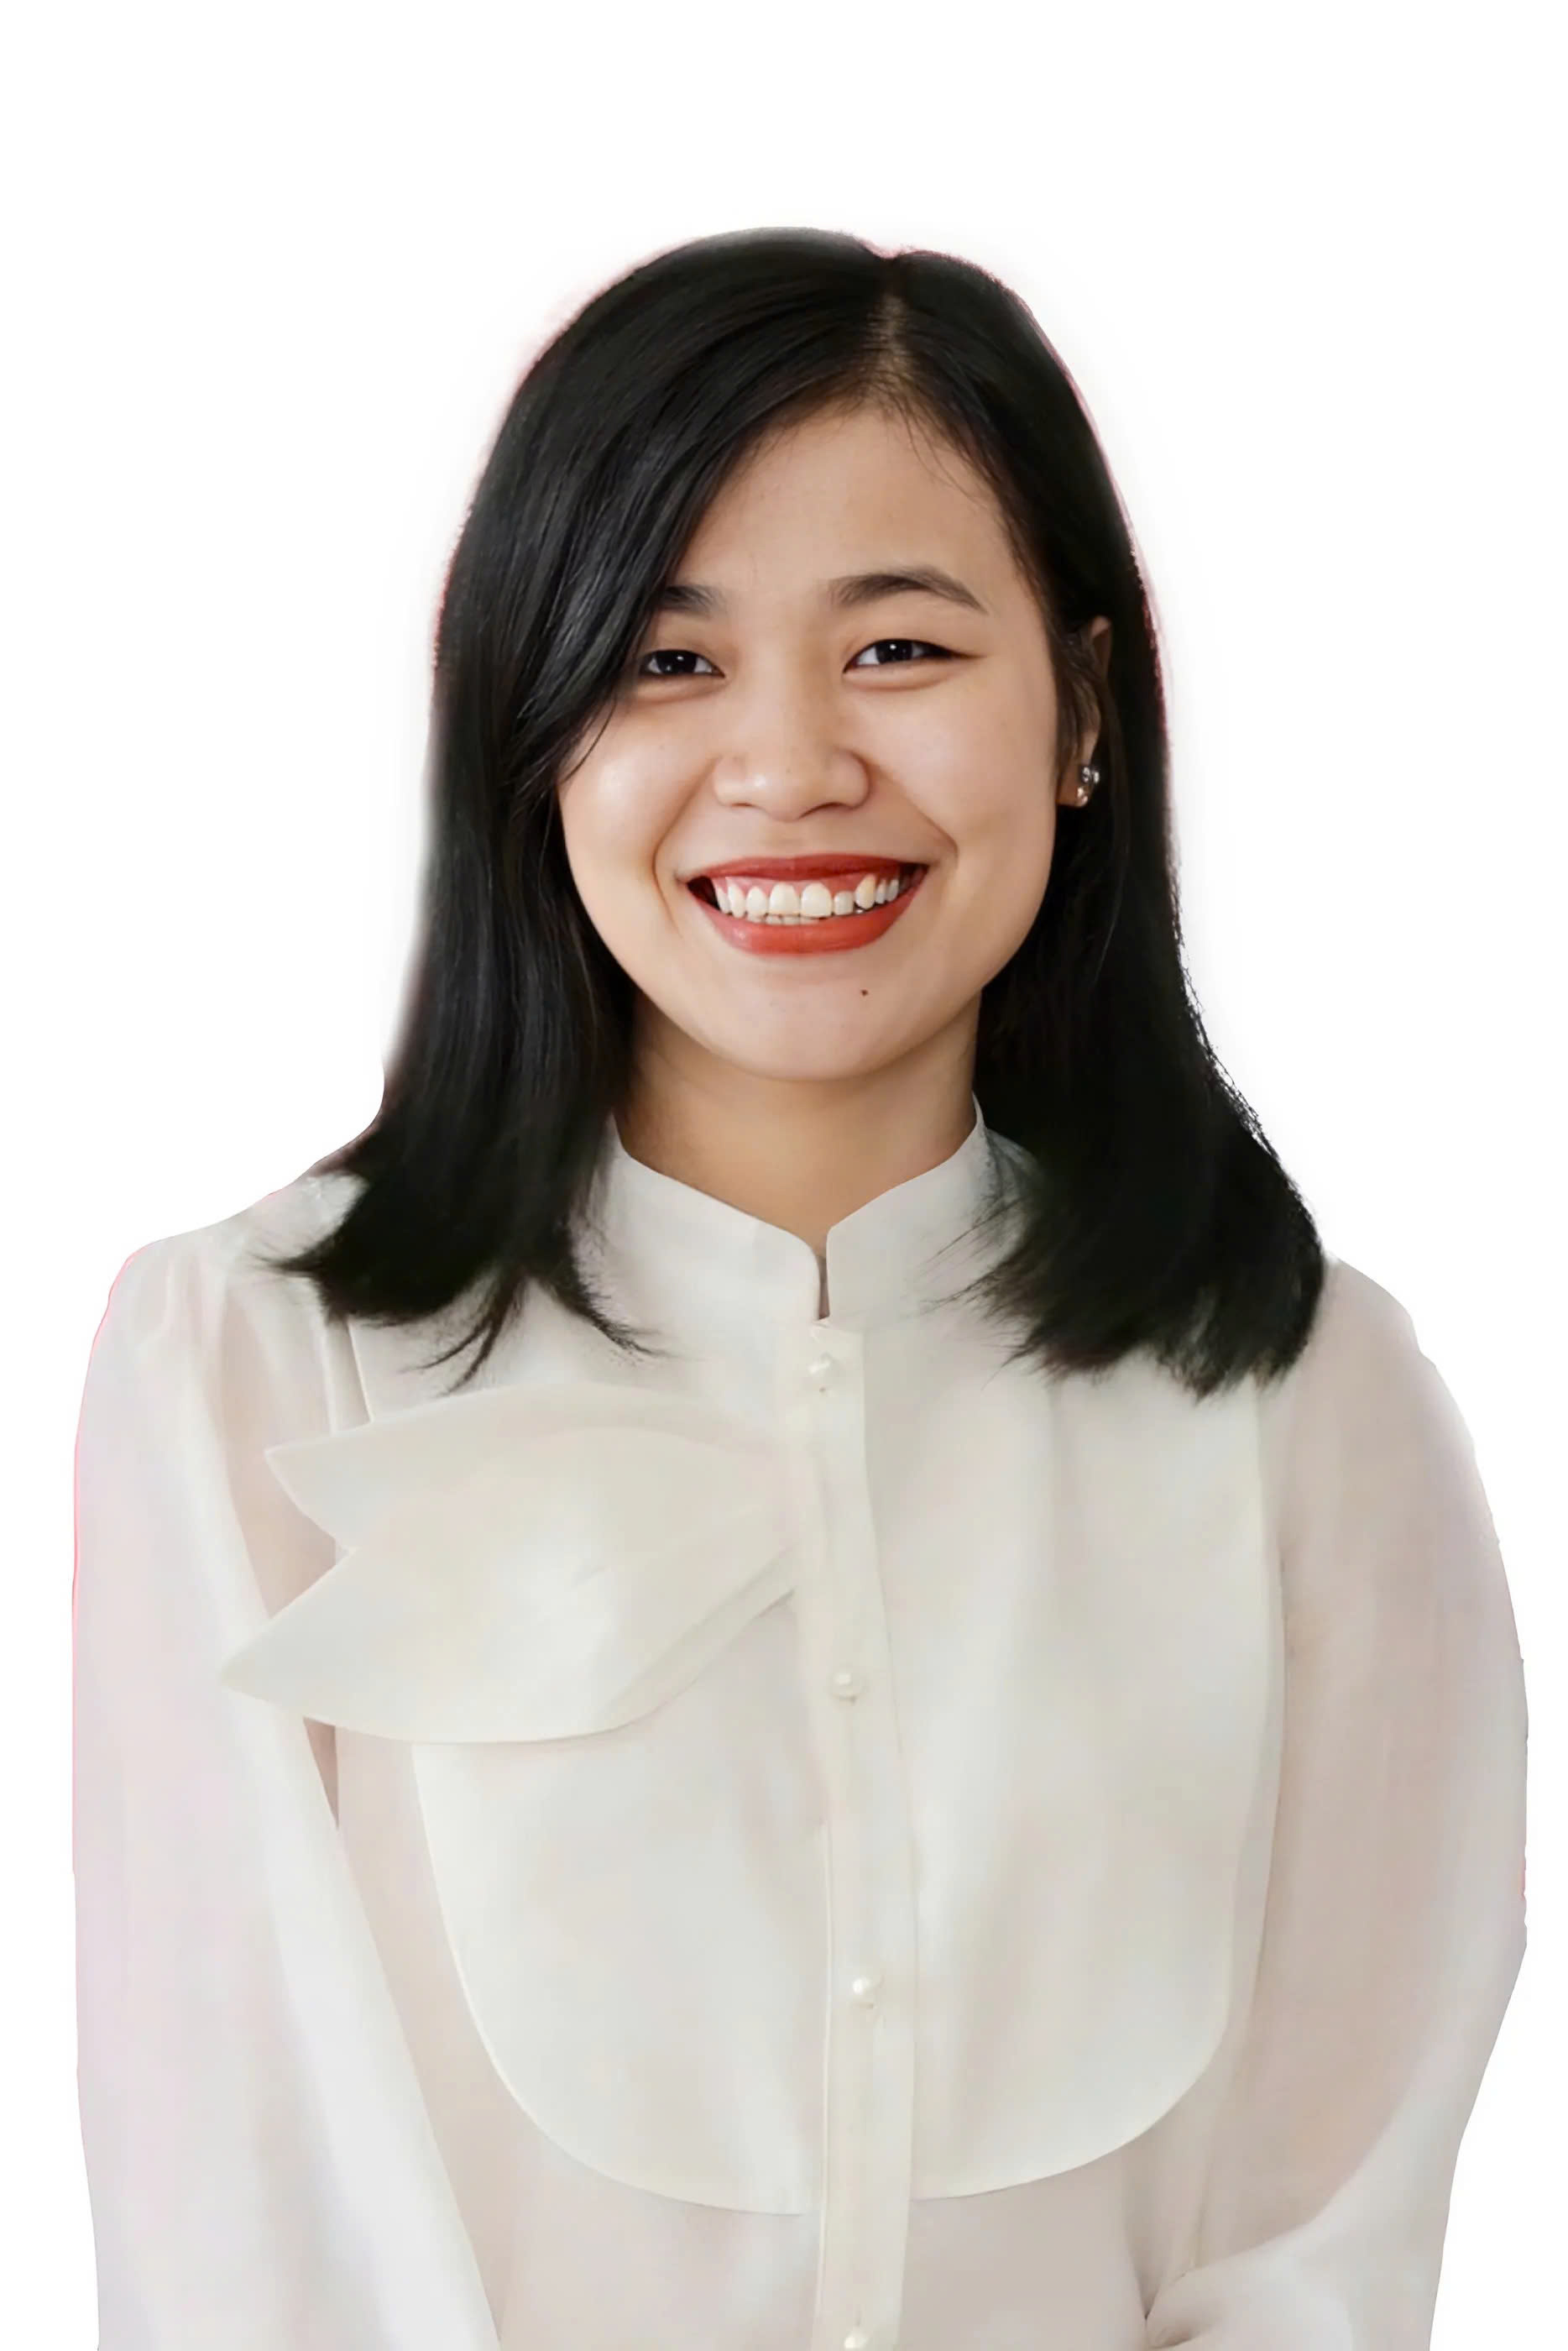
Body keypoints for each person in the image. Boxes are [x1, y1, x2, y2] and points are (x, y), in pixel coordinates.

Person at [72, 228, 1528, 2351]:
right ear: (529, 729)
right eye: (667, 661)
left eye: (898, 648)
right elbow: (238, 2210)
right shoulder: (251, 1359)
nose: (786, 764)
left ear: (1082, 711)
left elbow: (1330, 2224)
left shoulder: (1304, 1393)